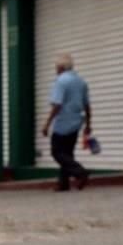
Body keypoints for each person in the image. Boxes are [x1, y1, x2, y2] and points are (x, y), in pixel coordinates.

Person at [42, 54, 91, 191]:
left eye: (56, 67)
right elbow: (87, 104)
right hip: (76, 121)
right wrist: (88, 124)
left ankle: (80, 172)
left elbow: (57, 105)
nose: (55, 69)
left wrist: (47, 124)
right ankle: (63, 184)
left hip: (63, 122)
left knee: (57, 152)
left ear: (61, 67)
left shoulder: (61, 81)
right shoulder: (81, 81)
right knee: (67, 153)